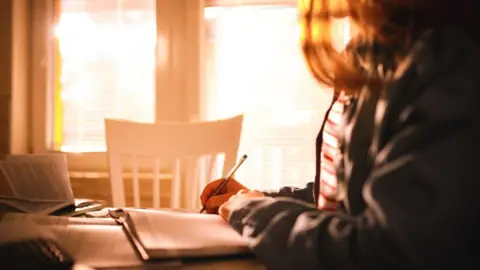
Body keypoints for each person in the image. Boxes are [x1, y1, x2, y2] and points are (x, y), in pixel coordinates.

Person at [200, 0, 480, 269]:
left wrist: (253, 213)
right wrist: (260, 199)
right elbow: (345, 201)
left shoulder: (449, 62)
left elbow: (386, 251)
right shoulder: (368, 55)